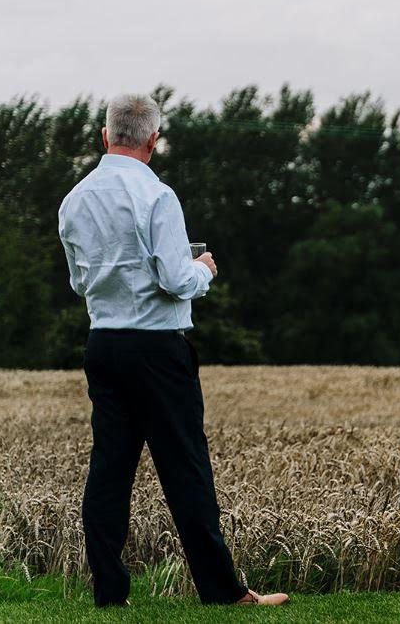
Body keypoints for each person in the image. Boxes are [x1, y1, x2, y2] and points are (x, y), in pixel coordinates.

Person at [58, 93, 287, 607]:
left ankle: (109, 593)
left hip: (103, 344)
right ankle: (223, 592)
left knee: (109, 469)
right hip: (157, 349)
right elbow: (173, 277)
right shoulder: (157, 197)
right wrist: (201, 271)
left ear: (106, 135)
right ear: (153, 140)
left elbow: (79, 283)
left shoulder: (74, 200)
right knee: (185, 468)